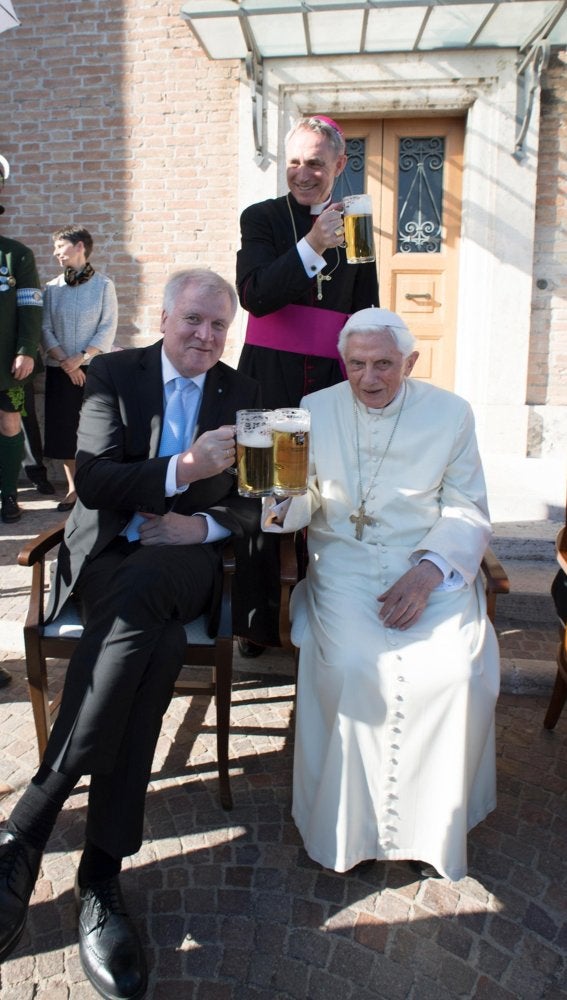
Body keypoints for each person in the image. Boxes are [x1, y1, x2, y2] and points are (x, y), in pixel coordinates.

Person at [0, 269, 262, 998]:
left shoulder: (242, 394)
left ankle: (29, 825)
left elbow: (258, 501)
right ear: (165, 316)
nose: (205, 335)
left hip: (187, 561)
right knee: (159, 645)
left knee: (152, 588)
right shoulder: (115, 374)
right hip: (109, 556)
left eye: (219, 325)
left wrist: (199, 526)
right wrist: (184, 468)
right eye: (194, 319)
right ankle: (100, 877)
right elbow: (95, 479)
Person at [262, 307, 500, 881]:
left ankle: (432, 831)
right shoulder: (311, 411)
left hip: (429, 566)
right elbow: (298, 501)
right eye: (356, 365)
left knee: (455, 672)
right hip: (343, 567)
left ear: (410, 362)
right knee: (350, 666)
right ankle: (347, 832)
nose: (369, 378)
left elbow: (467, 507)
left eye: (384, 365)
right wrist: (279, 500)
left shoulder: (451, 413)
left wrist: (428, 573)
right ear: (343, 362)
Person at [235, 116, 380, 654]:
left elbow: (365, 307)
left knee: (328, 494)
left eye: (316, 163)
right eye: (294, 161)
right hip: (267, 375)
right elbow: (254, 295)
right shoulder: (262, 218)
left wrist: (373, 368)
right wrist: (313, 244)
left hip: (330, 380)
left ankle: (324, 612)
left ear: (339, 165)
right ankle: (256, 622)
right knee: (263, 494)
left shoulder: (357, 222)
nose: (303, 173)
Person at [42, 225, 118, 512]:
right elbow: (45, 328)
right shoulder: (52, 288)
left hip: (94, 370)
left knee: (96, 429)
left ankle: (95, 484)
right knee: (64, 431)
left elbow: (107, 326)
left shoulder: (104, 286)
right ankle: (73, 489)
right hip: (60, 370)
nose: (55, 253)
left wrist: (82, 357)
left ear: (79, 247)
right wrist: (67, 362)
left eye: (60, 246)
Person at [0, 153, 43, 527]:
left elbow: (31, 306)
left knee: (9, 423)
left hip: (6, 361)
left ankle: (8, 495)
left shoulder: (17, 255)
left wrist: (27, 350)